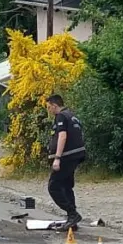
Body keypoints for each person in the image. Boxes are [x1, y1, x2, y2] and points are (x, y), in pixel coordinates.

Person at [45, 94, 86, 231]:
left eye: (49, 107)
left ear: (55, 105)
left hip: (67, 156)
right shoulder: (72, 115)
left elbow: (62, 136)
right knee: (67, 186)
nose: (49, 110)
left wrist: (57, 158)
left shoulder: (61, 116)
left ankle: (72, 214)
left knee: (54, 186)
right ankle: (71, 220)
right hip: (77, 154)